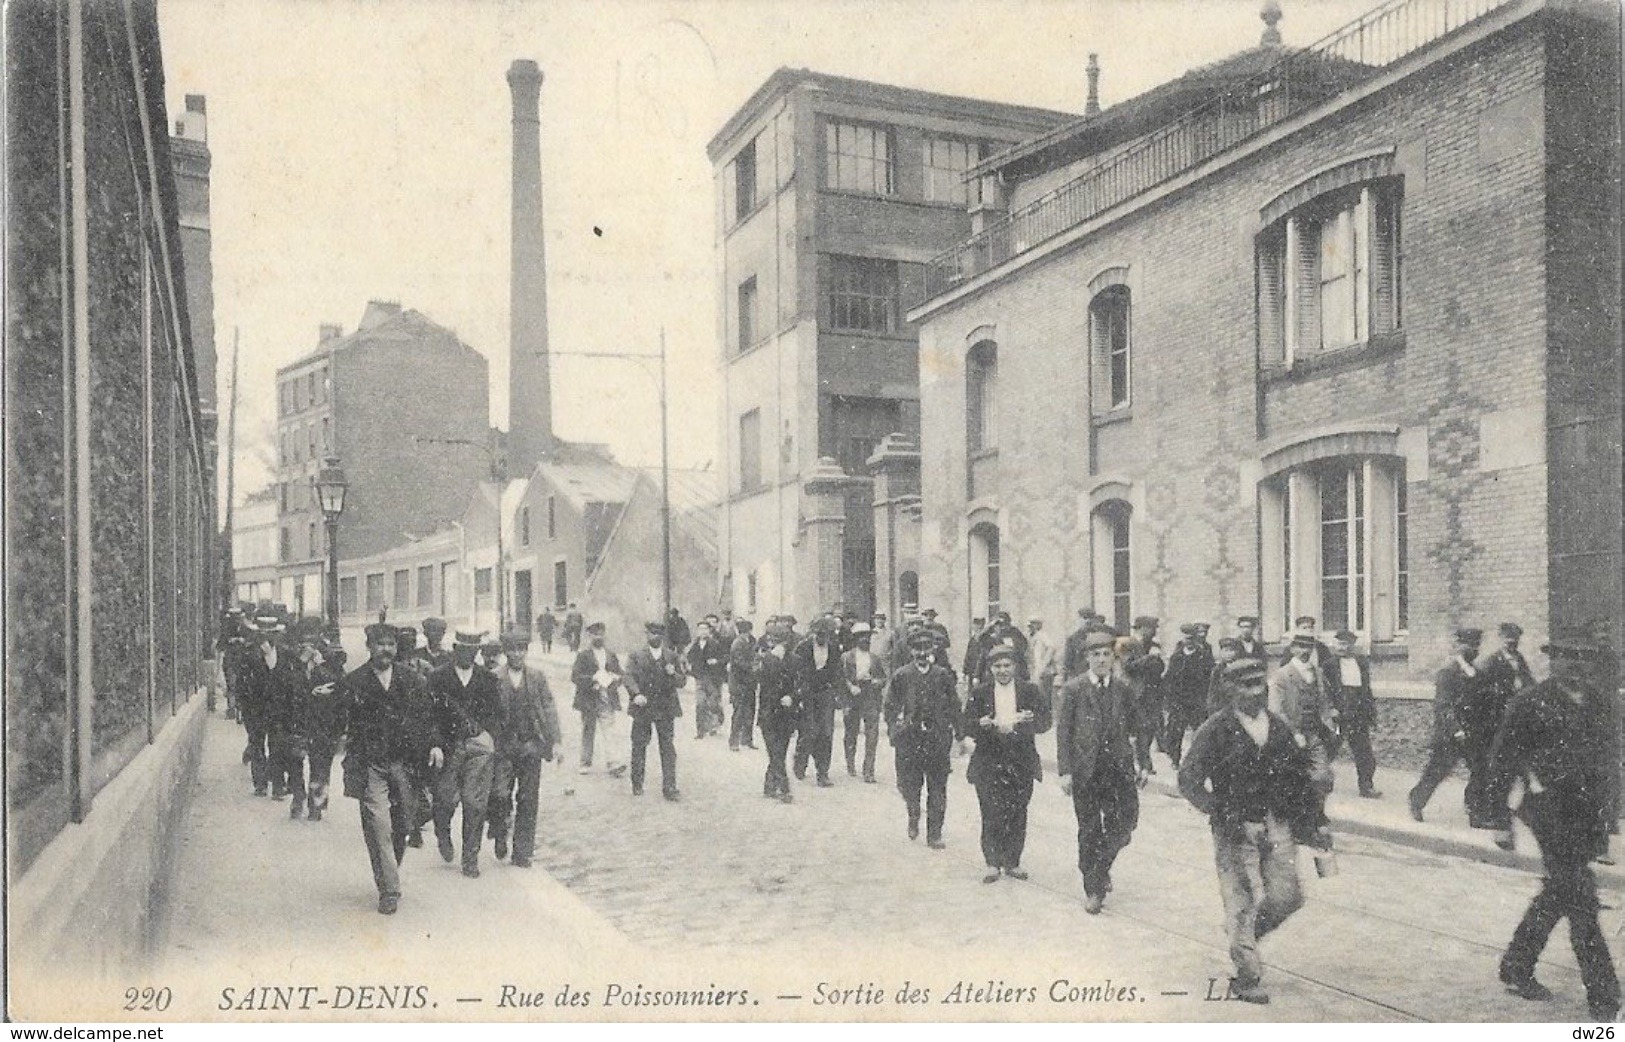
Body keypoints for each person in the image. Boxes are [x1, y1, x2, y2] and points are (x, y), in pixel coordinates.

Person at [1484, 631, 1619, 1020]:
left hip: (1585, 814)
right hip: (1548, 813)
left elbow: (1611, 760)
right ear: (1552, 661)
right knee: (1581, 899)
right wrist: (1498, 819)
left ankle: (1516, 965)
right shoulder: (1530, 702)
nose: (1576, 664)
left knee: (1559, 892)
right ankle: (1605, 1001)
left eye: (1583, 657)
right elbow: (1502, 759)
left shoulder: (1599, 703)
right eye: (1567, 656)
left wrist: (1610, 815)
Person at [1178, 657, 1318, 1005]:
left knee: (1288, 896)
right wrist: (1223, 814)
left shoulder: (1278, 727)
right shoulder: (1215, 730)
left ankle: (1244, 939)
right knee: (1241, 901)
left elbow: (1299, 779)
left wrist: (1315, 822)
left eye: (1259, 684)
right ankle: (1247, 975)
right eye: (1245, 685)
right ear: (1229, 689)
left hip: (1277, 823)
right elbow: (1188, 781)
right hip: (1235, 828)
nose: (1255, 692)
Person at [343, 622, 438, 915]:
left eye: (391, 644)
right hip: (371, 764)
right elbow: (337, 719)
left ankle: (388, 872)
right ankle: (389, 890)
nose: (386, 650)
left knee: (403, 826)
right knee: (378, 824)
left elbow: (428, 717)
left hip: (404, 764)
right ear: (369, 647)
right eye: (380, 644)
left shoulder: (412, 680)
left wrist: (434, 745)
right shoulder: (355, 682)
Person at [1056, 630, 1150, 913]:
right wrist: (1065, 771)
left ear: (1114, 657)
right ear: (1086, 658)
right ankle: (1093, 889)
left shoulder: (1123, 689)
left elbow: (1139, 727)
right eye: (1095, 654)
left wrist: (1143, 763)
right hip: (1086, 771)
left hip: (1118, 771)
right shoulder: (1074, 689)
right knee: (1089, 829)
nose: (1101, 660)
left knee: (1125, 825)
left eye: (1106, 654)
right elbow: (1064, 732)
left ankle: (1099, 869)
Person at [965, 644, 1051, 883]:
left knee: (1017, 810)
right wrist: (979, 723)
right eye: (997, 666)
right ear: (990, 669)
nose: (1002, 670)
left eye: (1007, 665)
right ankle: (992, 862)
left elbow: (1046, 722)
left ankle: (1013, 861)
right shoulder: (980, 693)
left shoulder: (1030, 691)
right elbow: (965, 724)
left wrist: (1031, 720)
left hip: (1021, 759)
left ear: (1015, 666)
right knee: (990, 811)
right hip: (989, 759)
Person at [427, 630, 504, 877]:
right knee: (446, 799)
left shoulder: (488, 680)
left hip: (478, 747)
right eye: (463, 649)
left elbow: (497, 714)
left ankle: (470, 859)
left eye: (473, 650)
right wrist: (435, 744)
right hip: (448, 747)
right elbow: (428, 715)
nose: (468, 655)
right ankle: (442, 831)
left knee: (475, 802)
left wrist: (488, 736)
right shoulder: (438, 678)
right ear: (454, 649)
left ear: (478, 652)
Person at [487, 629, 562, 868]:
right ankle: (499, 831)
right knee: (499, 794)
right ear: (505, 652)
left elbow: (549, 709)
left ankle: (522, 852)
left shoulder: (537, 677)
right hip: (503, 748)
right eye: (512, 649)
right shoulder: (494, 678)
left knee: (528, 798)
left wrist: (556, 741)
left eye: (522, 649)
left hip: (530, 745)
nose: (517, 654)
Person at [883, 628, 959, 849]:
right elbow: (889, 707)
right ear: (911, 651)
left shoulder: (942, 675)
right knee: (909, 785)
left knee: (937, 788)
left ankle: (934, 834)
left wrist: (959, 734)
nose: (922, 653)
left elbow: (954, 705)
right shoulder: (902, 675)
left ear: (933, 649)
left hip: (936, 739)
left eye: (926, 648)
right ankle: (913, 814)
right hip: (909, 740)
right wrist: (896, 726)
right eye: (918, 649)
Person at [1408, 628, 1487, 824]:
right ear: (1459, 647)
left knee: (1481, 769)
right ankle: (1417, 800)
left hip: (1473, 732)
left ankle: (1474, 809)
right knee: (1437, 771)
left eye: (1476, 645)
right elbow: (1443, 705)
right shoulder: (1447, 672)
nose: (1473, 649)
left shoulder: (1477, 672)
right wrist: (1456, 729)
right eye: (1469, 645)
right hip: (1450, 733)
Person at [1268, 632, 1340, 833]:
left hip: (1314, 734)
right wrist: (1293, 732)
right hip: (1289, 737)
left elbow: (1324, 701)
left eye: (1309, 647)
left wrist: (1330, 721)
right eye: (1300, 646)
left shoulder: (1316, 673)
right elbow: (1276, 710)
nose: (1305, 651)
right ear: (1292, 649)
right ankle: (1292, 822)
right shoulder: (1281, 676)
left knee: (1322, 777)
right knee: (1291, 779)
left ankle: (1316, 815)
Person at [624, 621, 684, 800]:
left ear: (663, 636)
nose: (655, 636)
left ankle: (670, 787)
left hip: (665, 707)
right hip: (643, 706)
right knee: (639, 745)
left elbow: (682, 682)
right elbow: (628, 676)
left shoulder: (671, 656)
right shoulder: (636, 655)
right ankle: (637, 783)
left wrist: (673, 673)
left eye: (658, 633)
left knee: (667, 747)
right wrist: (636, 694)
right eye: (652, 633)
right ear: (647, 634)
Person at [792, 616, 845, 787]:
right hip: (807, 694)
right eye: (820, 634)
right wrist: (798, 694)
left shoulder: (835, 649)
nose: (823, 638)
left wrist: (836, 693)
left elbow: (838, 672)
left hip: (825, 693)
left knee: (826, 733)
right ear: (814, 633)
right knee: (808, 731)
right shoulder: (803, 647)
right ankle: (800, 763)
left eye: (827, 635)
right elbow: (796, 672)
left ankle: (823, 772)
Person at [569, 621, 625, 776]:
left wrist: (616, 678)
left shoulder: (610, 655)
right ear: (589, 636)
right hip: (589, 699)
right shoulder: (583, 655)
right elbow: (575, 676)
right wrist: (592, 679)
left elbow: (621, 673)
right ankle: (585, 762)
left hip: (607, 698)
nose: (598, 637)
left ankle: (613, 762)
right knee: (588, 730)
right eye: (595, 634)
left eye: (601, 634)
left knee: (610, 730)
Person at [1329, 629, 1380, 798]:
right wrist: (1331, 709)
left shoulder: (1361, 662)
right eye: (1339, 643)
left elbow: (1366, 690)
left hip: (1358, 713)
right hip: (1339, 714)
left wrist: (1371, 712)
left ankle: (1366, 786)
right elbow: (1324, 690)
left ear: (1352, 645)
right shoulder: (1330, 665)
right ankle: (1311, 780)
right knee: (1330, 747)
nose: (1342, 647)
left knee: (1364, 752)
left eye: (1345, 644)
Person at [1163, 623, 1215, 768]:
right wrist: (1169, 699)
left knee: (1199, 732)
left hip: (1196, 701)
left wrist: (1204, 700)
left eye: (1191, 639)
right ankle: (1175, 759)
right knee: (1175, 732)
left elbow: (1208, 679)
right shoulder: (1176, 657)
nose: (1188, 641)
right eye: (1186, 639)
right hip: (1179, 702)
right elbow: (1169, 679)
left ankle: (1198, 761)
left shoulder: (1203, 656)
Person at [841, 623, 889, 783]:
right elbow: (842, 678)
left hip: (870, 696)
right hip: (853, 696)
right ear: (855, 639)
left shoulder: (874, 658)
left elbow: (883, 677)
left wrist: (877, 682)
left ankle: (869, 770)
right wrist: (851, 687)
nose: (865, 639)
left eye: (867, 636)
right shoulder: (847, 657)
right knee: (851, 732)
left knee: (872, 734)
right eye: (861, 636)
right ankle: (850, 763)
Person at [756, 625, 799, 803]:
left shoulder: (795, 660)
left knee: (779, 752)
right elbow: (762, 687)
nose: (780, 645)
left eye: (783, 641)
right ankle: (784, 788)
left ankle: (769, 785)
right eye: (776, 641)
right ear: (770, 642)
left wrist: (792, 697)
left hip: (787, 713)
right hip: (769, 712)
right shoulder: (764, 660)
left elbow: (800, 685)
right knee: (775, 751)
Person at [1119, 616, 1165, 768]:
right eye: (1153, 628)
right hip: (1134, 692)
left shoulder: (1154, 645)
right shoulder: (1127, 644)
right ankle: (1142, 762)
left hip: (1152, 692)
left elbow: (1160, 668)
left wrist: (1158, 661)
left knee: (1150, 727)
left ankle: (1143, 759)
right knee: (1137, 728)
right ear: (1143, 628)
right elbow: (1128, 667)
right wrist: (1149, 658)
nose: (1155, 632)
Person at [686, 618, 728, 739]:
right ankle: (700, 731)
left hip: (713, 679)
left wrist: (716, 661)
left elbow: (725, 658)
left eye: (705, 629)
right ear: (697, 631)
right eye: (700, 629)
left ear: (709, 631)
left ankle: (717, 720)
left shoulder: (715, 644)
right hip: (699, 679)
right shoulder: (694, 645)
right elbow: (688, 658)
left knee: (712, 704)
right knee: (700, 704)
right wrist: (689, 666)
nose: (702, 631)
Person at [727, 619, 759, 752]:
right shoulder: (738, 644)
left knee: (750, 711)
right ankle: (734, 741)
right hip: (739, 683)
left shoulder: (749, 642)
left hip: (748, 683)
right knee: (739, 712)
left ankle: (747, 739)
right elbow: (740, 663)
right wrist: (755, 667)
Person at [1028, 618, 1058, 699]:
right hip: (1039, 670)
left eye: (1032, 625)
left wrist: (1044, 664)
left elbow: (1052, 647)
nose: (1030, 628)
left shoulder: (1042, 635)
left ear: (1038, 625)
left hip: (1045, 671)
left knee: (1044, 695)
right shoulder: (1034, 637)